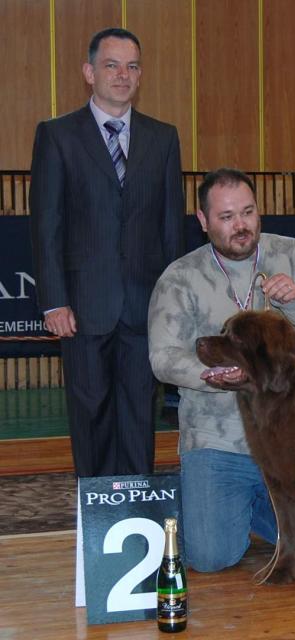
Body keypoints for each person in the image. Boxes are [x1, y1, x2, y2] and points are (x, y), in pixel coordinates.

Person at [148, 167, 295, 572]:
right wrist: (212, 377)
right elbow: (163, 358)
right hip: (217, 443)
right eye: (226, 217)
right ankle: (239, 504)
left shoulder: (294, 254)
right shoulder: (179, 277)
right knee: (210, 557)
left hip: (292, 441)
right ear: (202, 221)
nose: (241, 225)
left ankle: (264, 506)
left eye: (248, 212)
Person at [29, 27, 185, 477]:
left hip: (144, 307)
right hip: (82, 307)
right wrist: (54, 300)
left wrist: (171, 303)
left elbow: (171, 228)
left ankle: (136, 515)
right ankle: (97, 522)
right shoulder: (57, 136)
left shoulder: (164, 138)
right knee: (90, 416)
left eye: (132, 66)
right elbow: (46, 225)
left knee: (140, 416)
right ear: (88, 72)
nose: (122, 75)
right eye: (111, 65)